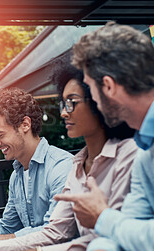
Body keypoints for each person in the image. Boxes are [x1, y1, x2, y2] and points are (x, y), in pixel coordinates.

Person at [0, 60, 138, 251]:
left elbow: (116, 240)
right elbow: (61, 233)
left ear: (100, 102)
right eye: (63, 104)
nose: (64, 113)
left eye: (71, 103)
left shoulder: (127, 156)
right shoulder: (77, 166)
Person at [53, 22, 154, 251]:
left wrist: (102, 217)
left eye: (90, 88)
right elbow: (123, 233)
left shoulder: (135, 152)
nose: (94, 101)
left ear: (107, 86)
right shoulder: (144, 152)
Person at [0, 87, 73, 250]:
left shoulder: (62, 166)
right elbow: (8, 228)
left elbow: (55, 233)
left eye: (0, 135)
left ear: (25, 124)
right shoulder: (17, 176)